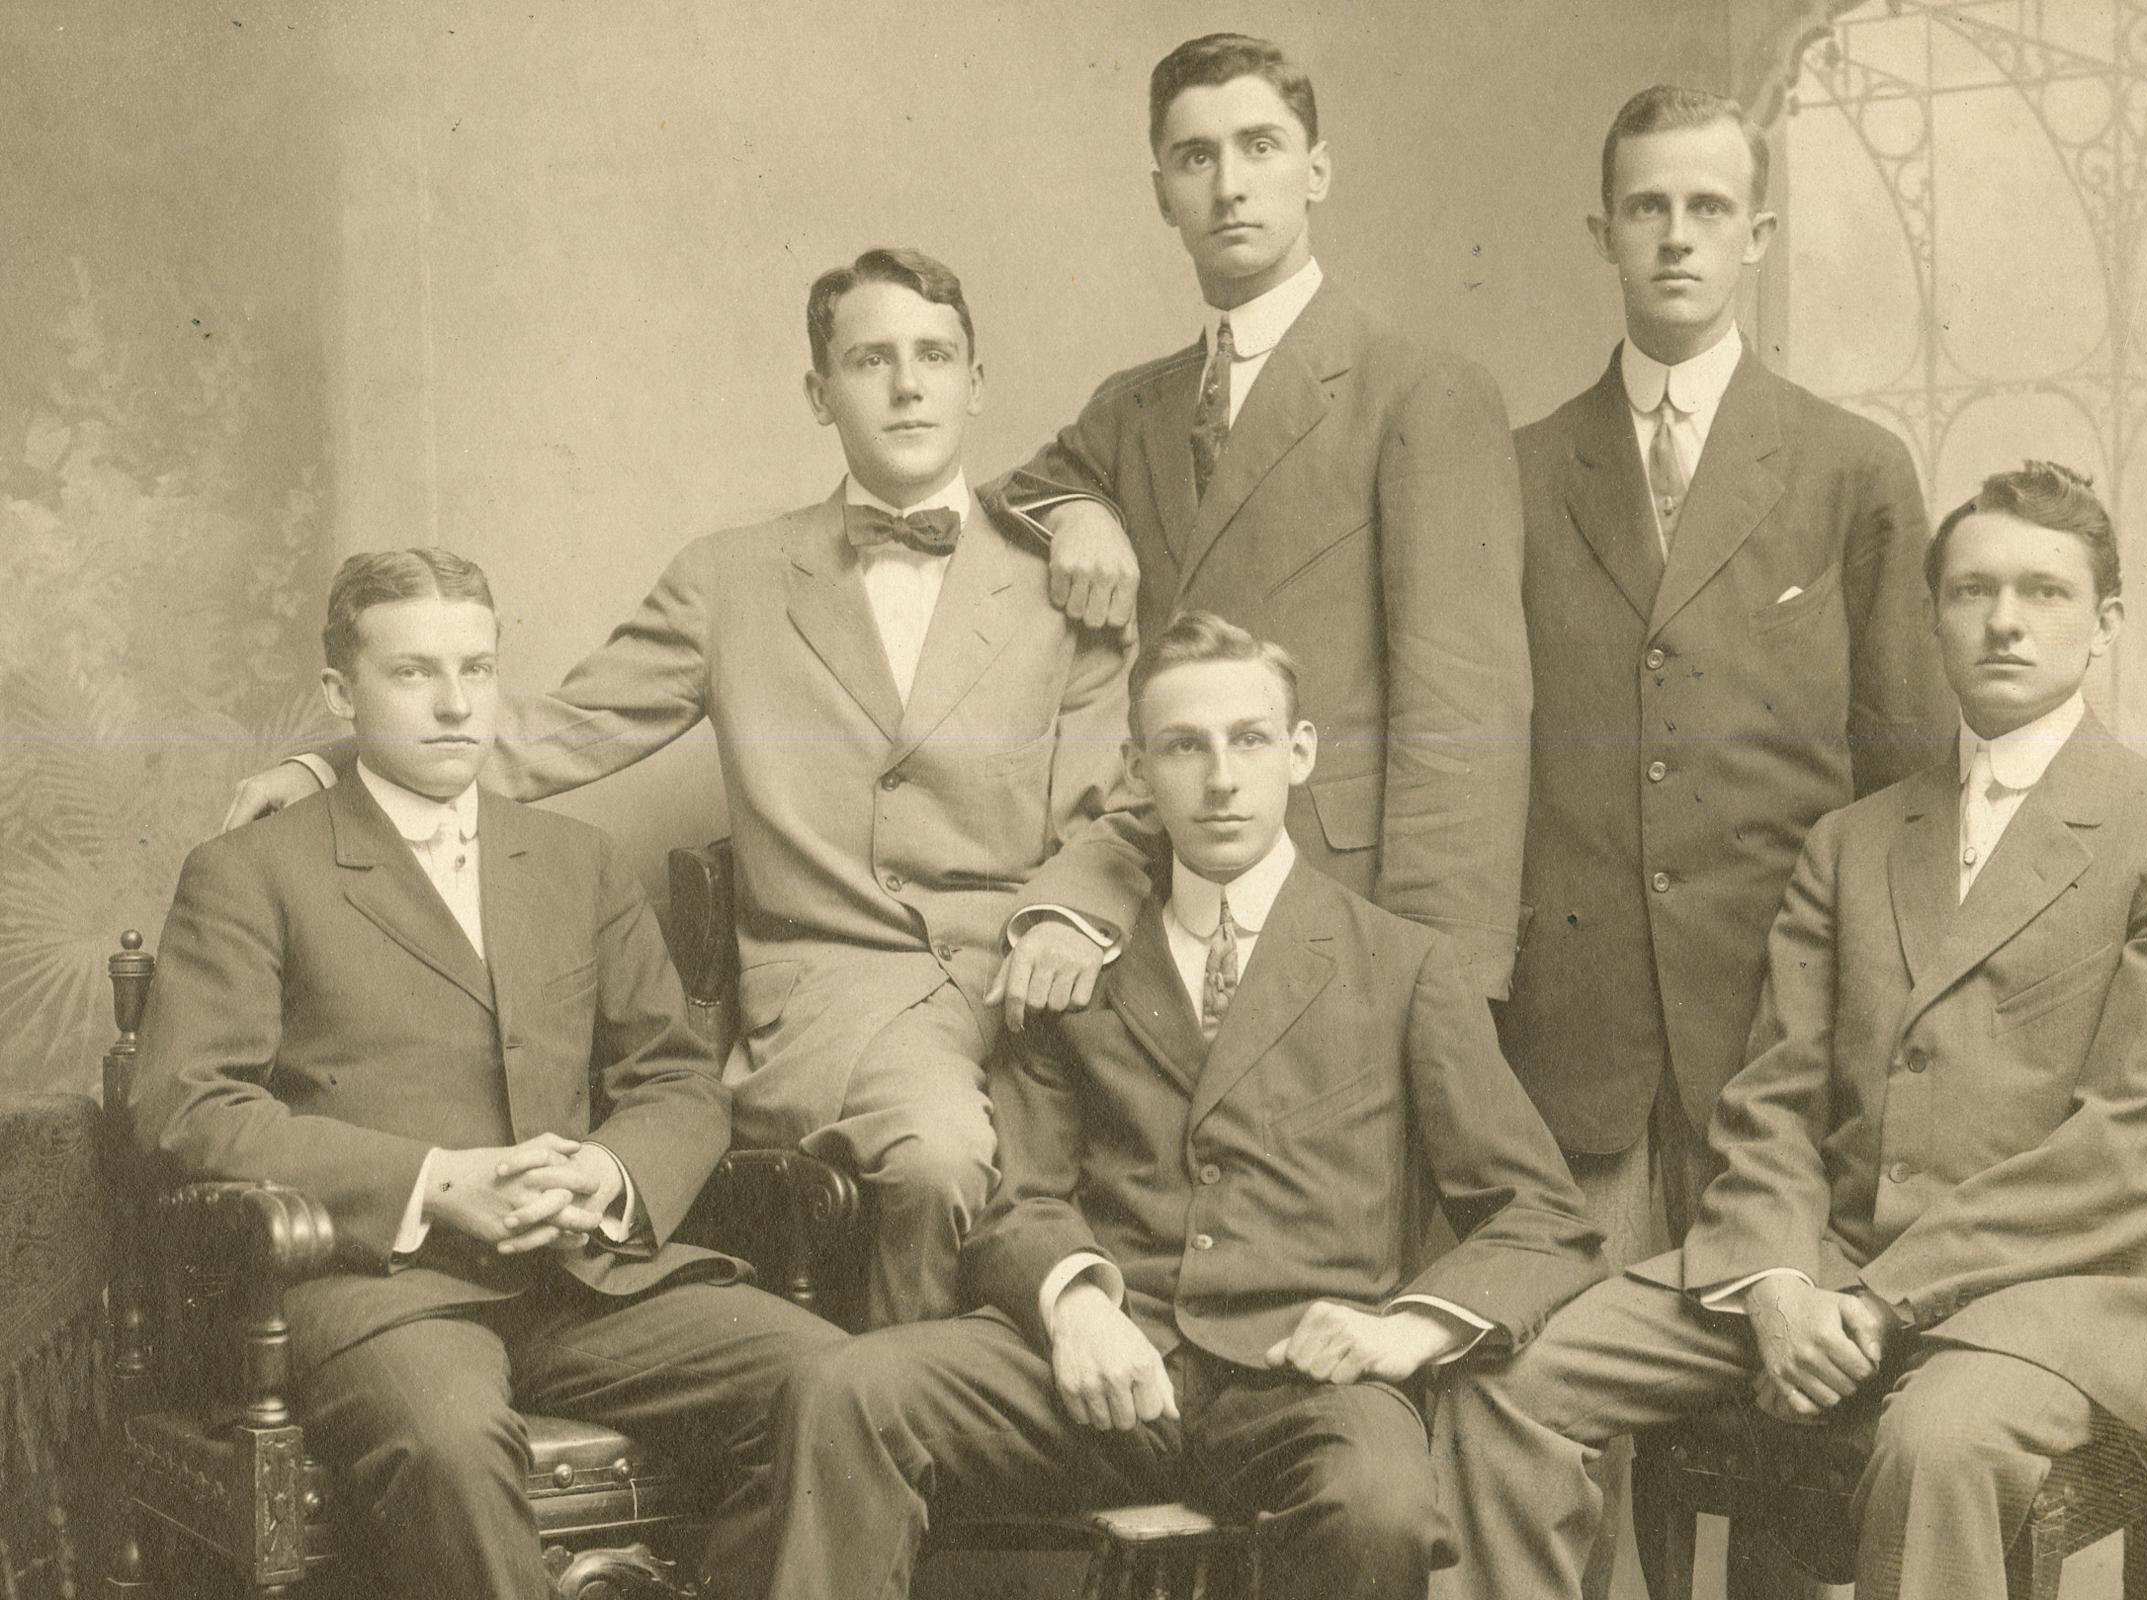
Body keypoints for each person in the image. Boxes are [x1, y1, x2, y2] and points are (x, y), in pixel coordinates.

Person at [218, 249, 1150, 1327]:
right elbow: (555, 729)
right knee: (938, 1158)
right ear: (818, 392)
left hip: (1036, 979)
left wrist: (1069, 917)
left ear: (976, 383)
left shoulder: (1063, 578)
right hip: (839, 992)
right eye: (871, 360)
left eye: (935, 357)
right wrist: (325, 763)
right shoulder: (731, 577)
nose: (908, 386)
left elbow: (1114, 811)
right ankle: (913, 1455)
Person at [1431, 461, 2147, 1600]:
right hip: (1825, 1265)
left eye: (2045, 592)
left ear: (2106, 623)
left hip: (2062, 1297)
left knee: (1937, 1447)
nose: (2006, 621)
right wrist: (1776, 1276)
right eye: (1972, 592)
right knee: (1514, 1385)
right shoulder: (1853, 843)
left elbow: (2132, 1149)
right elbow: (1774, 1098)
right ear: (1932, 617)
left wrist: (1881, 1301)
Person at [781, 611, 1601, 1600]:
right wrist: (1075, 1303)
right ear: (1139, 768)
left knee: (1379, 1502)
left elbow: (1541, 1214)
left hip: (1304, 1386)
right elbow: (1021, 1198)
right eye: (1185, 745)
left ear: (1298, 753)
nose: (1220, 778)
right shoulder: (1075, 966)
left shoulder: (1402, 965)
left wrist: (1406, 1329)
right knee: (841, 1389)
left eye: (1249, 739)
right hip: (1101, 1375)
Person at [133, 549, 846, 1600]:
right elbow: (187, 1105)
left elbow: (679, 1081)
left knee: (835, 1378)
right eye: (414, 672)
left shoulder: (576, 860)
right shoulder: (253, 870)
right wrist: (435, 1181)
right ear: (341, 693)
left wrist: (607, 1174)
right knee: (453, 1441)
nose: (456, 703)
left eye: (478, 668)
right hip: (381, 1290)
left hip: (584, 1282)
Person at [1505, 84, 1954, 1264]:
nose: (1676, 234)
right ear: (1602, 233)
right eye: (1645, 206)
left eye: (1709, 206)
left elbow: (1910, 778)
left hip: (1782, 1040)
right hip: (1576, 1053)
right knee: (1553, 1394)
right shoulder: (1517, 474)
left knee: (1781, 1412)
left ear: (1756, 237)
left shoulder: (1853, 470)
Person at [1004, 32, 1532, 999]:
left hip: (1348, 910)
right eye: (1195, 157)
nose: (1229, 186)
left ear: (1316, 171)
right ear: (1161, 191)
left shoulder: (1419, 391)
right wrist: (1080, 509)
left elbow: (1466, 715)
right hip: (1165, 896)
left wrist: (1438, 980)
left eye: (1260, 147)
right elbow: (1017, 495)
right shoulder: (1136, 407)